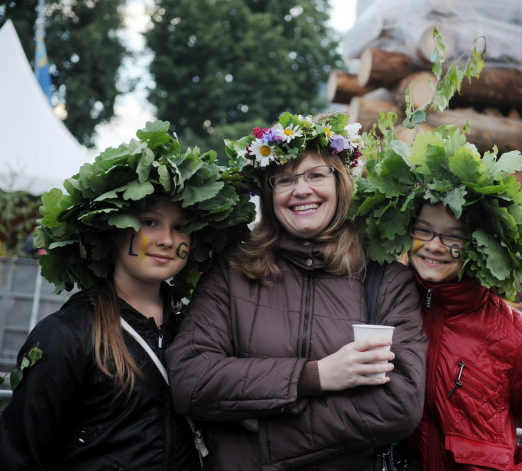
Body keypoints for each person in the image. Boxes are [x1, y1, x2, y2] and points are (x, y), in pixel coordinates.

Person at [165, 112, 428, 470]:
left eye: (315, 175)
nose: (301, 189)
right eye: (284, 179)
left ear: (341, 182)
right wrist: (317, 375)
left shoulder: (385, 280)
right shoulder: (233, 270)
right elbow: (190, 380)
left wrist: (267, 428)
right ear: (269, 194)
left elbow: (399, 404)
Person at [0, 121, 255, 471]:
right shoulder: (64, 335)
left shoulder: (200, 327)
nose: (166, 239)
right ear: (115, 232)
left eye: (180, 227)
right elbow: (19, 458)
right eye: (149, 222)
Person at [352, 122, 522, 470]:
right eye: (423, 230)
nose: (433, 246)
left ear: (478, 245)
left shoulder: (515, 336)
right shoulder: (383, 307)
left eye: (453, 237)